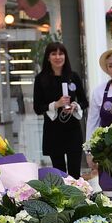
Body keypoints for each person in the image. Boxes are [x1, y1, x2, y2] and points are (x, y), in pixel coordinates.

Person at [32, 42, 87, 177]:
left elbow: (84, 101)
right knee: (59, 173)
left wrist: (75, 106)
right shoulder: (41, 79)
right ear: (48, 57)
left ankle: (78, 197)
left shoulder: (73, 77)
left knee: (75, 174)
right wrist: (56, 104)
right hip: (53, 132)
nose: (58, 57)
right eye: (54, 54)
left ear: (65, 56)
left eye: (61, 53)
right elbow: (37, 108)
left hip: (73, 131)